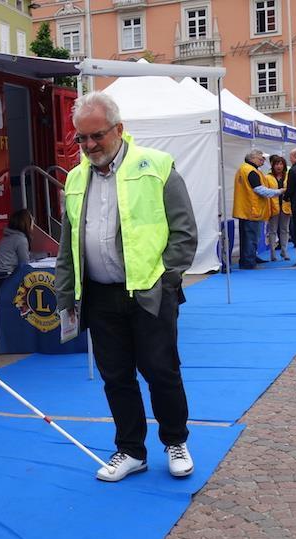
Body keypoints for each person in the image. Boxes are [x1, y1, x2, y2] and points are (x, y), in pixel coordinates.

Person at [54, 92, 198, 483]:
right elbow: (68, 244)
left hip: (149, 291)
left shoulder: (157, 166)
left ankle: (175, 441)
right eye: (81, 139)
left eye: (96, 136)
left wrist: (166, 281)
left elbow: (184, 232)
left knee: (161, 370)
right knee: (115, 375)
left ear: (119, 129)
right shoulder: (74, 178)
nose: (88, 146)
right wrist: (66, 295)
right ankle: (131, 450)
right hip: (100, 295)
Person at [233, 149, 284, 269]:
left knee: (248, 237)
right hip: (251, 210)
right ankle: (249, 262)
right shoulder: (251, 171)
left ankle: (248, 258)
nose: (263, 160)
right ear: (253, 159)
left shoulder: (244, 169)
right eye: (261, 158)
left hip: (246, 209)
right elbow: (260, 190)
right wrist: (279, 192)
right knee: (251, 237)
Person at [264, 154, 292, 261]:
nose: (279, 166)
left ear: (284, 165)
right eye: (276, 164)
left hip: (286, 206)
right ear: (272, 165)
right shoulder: (267, 177)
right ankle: (272, 253)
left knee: (285, 229)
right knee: (273, 230)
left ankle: (284, 252)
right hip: (273, 207)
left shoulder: (288, 176)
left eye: (281, 164)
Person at [0, 209, 33, 275]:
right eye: (32, 219)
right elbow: (24, 264)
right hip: (7, 277)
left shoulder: (7, 237)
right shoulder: (20, 239)